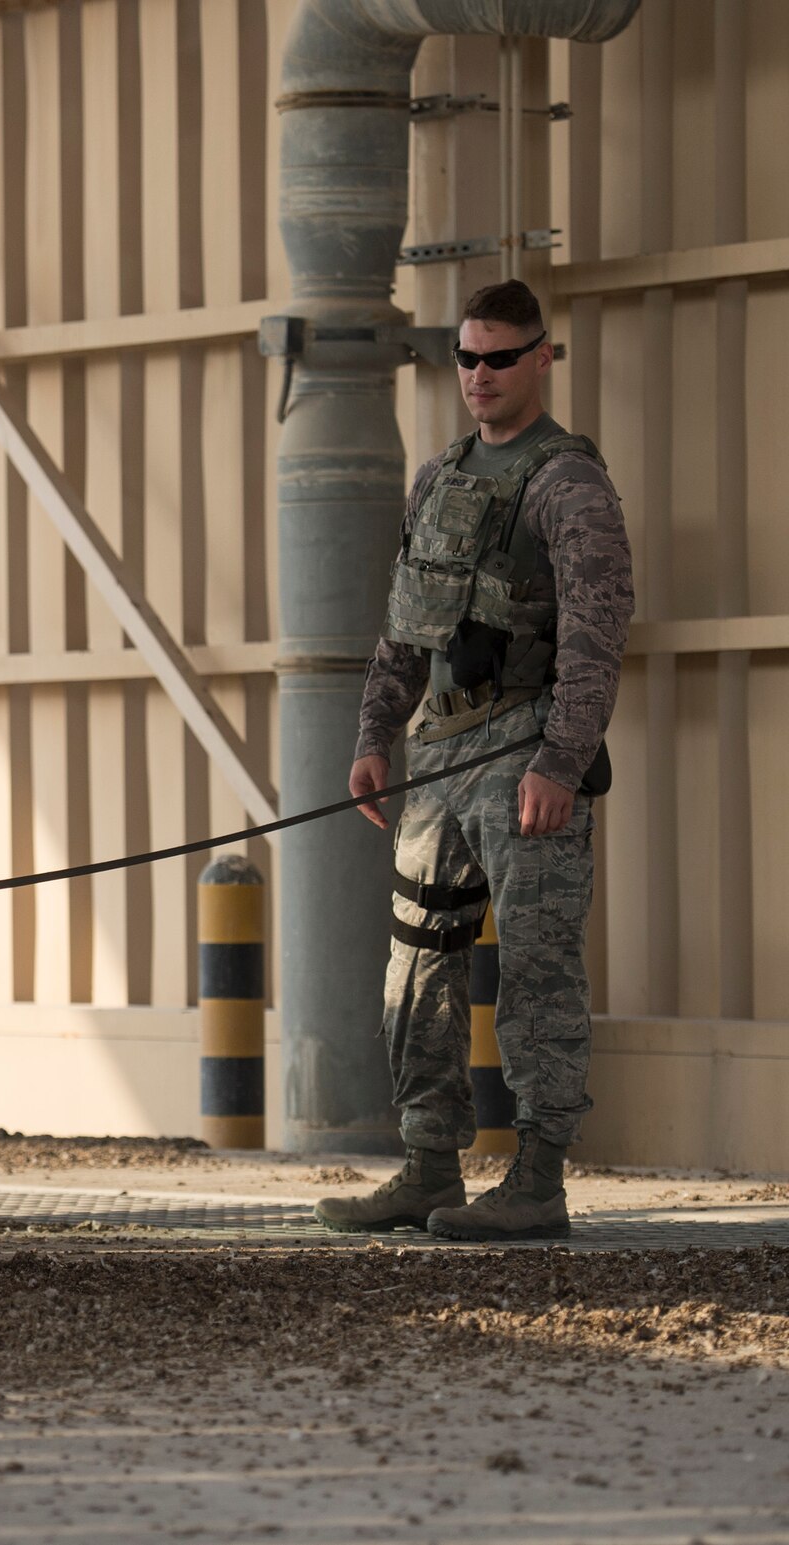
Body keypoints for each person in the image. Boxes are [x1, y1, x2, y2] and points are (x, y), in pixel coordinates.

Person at [314, 279, 633, 1241]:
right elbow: (403, 626)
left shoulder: (567, 481)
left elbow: (596, 632)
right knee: (416, 971)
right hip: (437, 758)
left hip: (527, 750)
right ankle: (427, 1166)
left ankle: (538, 1180)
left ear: (542, 356)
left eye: (499, 357)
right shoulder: (439, 477)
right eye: (465, 357)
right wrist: (376, 736)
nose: (479, 375)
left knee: (535, 972)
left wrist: (561, 761)